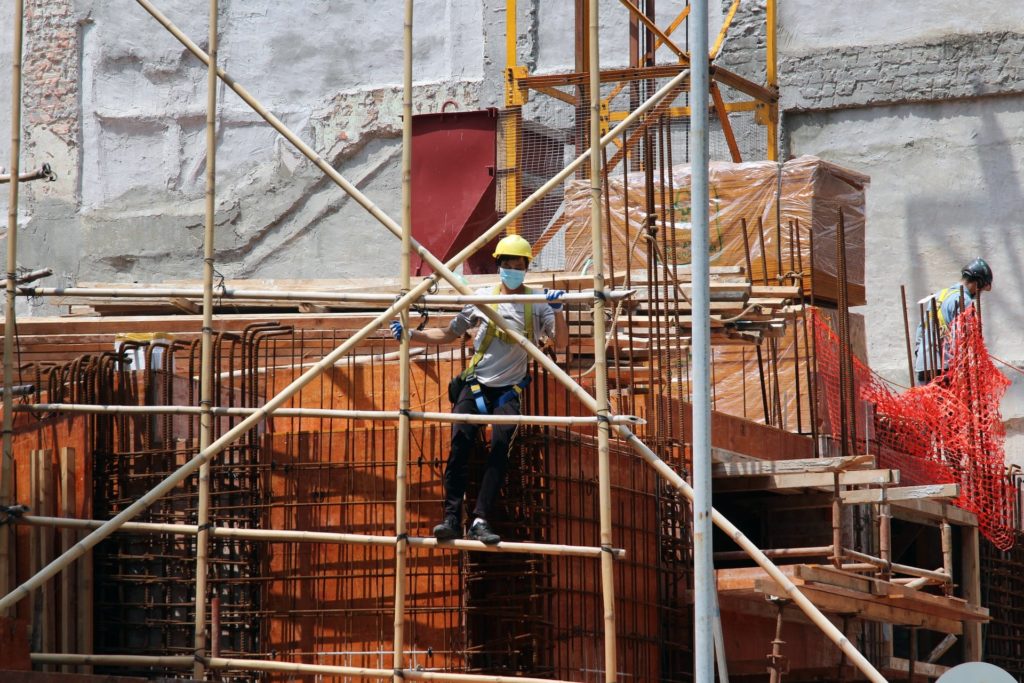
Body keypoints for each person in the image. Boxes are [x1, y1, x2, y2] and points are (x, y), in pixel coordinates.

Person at [389, 234, 568, 544]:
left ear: (526, 267)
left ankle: (480, 520)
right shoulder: (481, 298)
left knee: (500, 451)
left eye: (518, 265)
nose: (512, 269)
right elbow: (448, 333)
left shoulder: (538, 302)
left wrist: (559, 310)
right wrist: (411, 335)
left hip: (507, 391)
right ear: (499, 266)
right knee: (459, 446)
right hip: (474, 387)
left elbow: (562, 344)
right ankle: (451, 517)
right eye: (507, 264)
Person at [913, 257, 993, 385]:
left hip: (924, 365)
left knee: (929, 405)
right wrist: (962, 369)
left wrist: (922, 354)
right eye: (981, 290)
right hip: (945, 369)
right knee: (949, 405)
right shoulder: (963, 300)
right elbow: (960, 338)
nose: (979, 294)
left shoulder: (939, 295)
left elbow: (920, 331)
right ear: (977, 283)